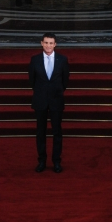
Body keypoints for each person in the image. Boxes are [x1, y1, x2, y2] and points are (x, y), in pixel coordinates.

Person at [28, 33, 70, 173]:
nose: (48, 45)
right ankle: (42, 161)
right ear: (41, 43)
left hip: (56, 100)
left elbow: (65, 81)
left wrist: (55, 92)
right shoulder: (35, 60)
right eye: (46, 42)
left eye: (51, 43)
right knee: (41, 132)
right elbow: (32, 81)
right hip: (40, 100)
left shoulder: (63, 60)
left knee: (57, 132)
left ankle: (56, 161)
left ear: (55, 44)